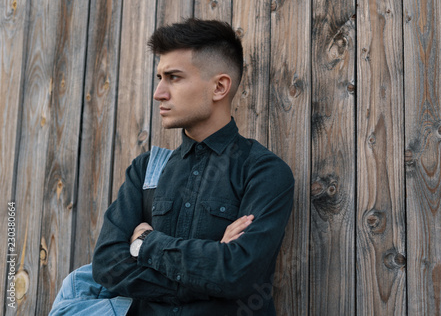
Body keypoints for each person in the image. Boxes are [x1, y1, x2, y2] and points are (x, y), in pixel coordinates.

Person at [50, 18, 294, 315]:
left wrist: (145, 243)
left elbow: (238, 273)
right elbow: (108, 264)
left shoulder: (264, 171)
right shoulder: (145, 171)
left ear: (219, 86)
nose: (159, 93)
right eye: (159, 77)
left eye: (174, 78)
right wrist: (209, 271)